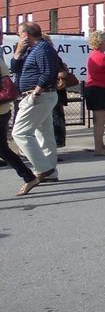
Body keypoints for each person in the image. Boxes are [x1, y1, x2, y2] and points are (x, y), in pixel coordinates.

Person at [11, 22, 62, 183]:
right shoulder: (30, 50)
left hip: (39, 96)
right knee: (44, 134)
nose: (18, 36)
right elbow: (15, 68)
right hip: (37, 96)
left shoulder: (42, 49)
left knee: (19, 132)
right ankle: (50, 172)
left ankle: (43, 168)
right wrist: (18, 51)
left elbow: (48, 73)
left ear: (26, 34)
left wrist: (36, 92)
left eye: (19, 33)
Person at [0, 31, 40, 196]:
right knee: (2, 149)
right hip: (3, 110)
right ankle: (29, 177)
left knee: (2, 149)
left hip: (1, 111)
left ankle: (29, 177)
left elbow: (6, 81)